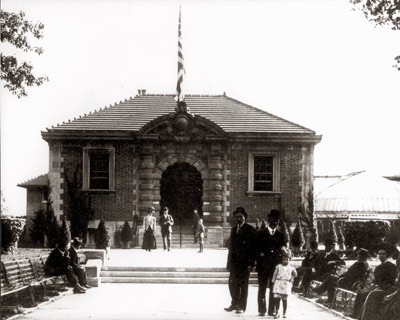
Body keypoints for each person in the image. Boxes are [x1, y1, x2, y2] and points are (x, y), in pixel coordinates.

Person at [224, 207, 256, 314]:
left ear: (244, 218)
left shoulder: (250, 230)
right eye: (237, 217)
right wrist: (228, 263)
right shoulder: (233, 229)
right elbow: (231, 248)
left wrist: (251, 263)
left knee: (243, 286)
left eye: (241, 216)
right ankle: (234, 303)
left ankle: (241, 306)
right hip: (234, 263)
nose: (239, 218)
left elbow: (253, 248)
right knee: (232, 284)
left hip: (244, 264)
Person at [255, 209, 285, 317]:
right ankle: (261, 309)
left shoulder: (281, 235)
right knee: (262, 288)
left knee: (273, 289)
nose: (274, 223)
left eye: (276, 221)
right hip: (263, 266)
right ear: (268, 220)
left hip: (274, 268)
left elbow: (282, 251)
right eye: (272, 220)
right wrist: (260, 254)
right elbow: (256, 249)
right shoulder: (260, 234)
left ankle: (271, 310)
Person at [357, 243, 398, 320]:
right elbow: (376, 279)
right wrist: (373, 284)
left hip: (387, 289)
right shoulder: (378, 267)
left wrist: (379, 286)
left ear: (387, 255)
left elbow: (391, 280)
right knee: (362, 293)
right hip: (378, 287)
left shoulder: (391, 267)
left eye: (383, 254)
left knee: (372, 294)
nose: (381, 256)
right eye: (379, 254)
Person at [271, 249, 297, 318]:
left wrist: (292, 278)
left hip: (286, 284)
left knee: (284, 299)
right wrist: (273, 282)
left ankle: (284, 312)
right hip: (278, 283)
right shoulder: (278, 266)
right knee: (277, 299)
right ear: (281, 260)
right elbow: (274, 274)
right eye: (284, 259)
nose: (285, 261)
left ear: (289, 260)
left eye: (287, 259)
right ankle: (277, 311)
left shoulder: (291, 268)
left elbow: (295, 274)